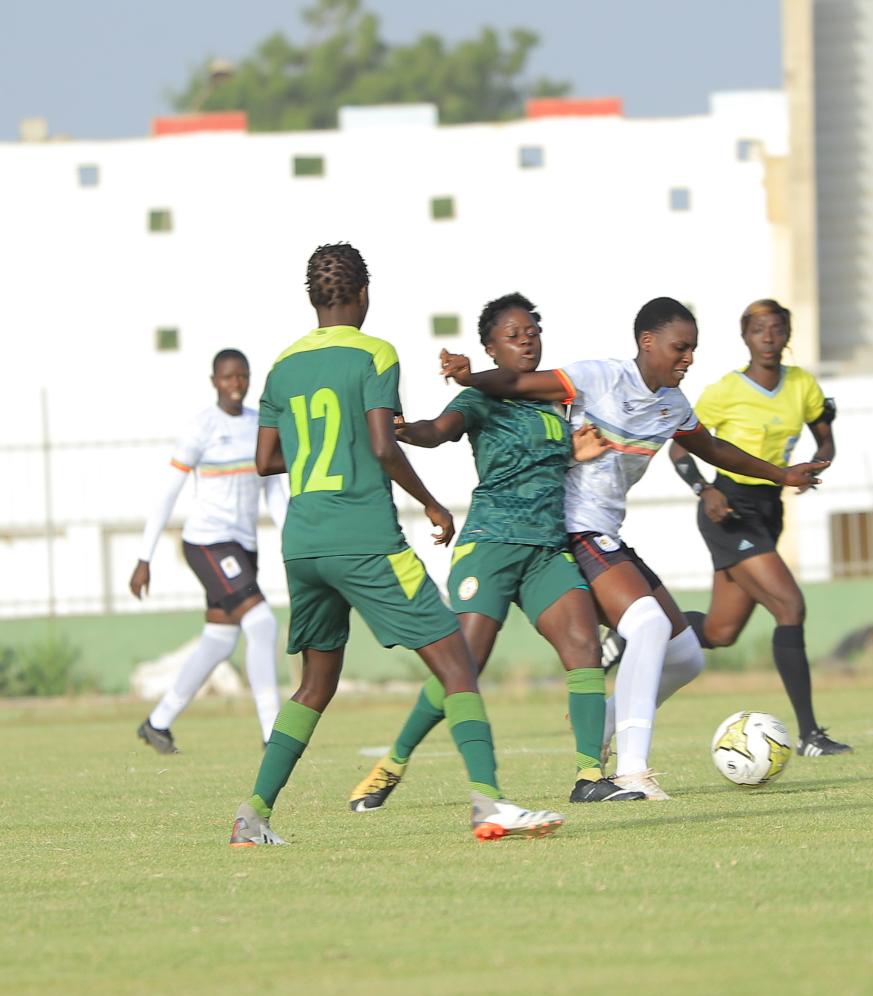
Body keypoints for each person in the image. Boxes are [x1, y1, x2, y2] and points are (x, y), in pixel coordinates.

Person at [229, 243, 563, 846]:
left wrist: (318, 452)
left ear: (312, 299)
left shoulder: (281, 366)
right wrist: (432, 503)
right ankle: (487, 803)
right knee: (457, 662)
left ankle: (253, 816)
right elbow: (385, 445)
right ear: (363, 295)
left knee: (314, 685)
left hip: (303, 544)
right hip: (364, 539)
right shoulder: (375, 353)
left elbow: (265, 461)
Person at [438, 296, 826, 800]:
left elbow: (715, 450)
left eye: (693, 350)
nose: (688, 358)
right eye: (679, 348)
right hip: (572, 528)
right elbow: (515, 383)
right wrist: (471, 379)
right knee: (648, 624)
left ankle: (597, 736)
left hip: (607, 534)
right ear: (648, 343)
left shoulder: (673, 404)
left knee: (687, 655)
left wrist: (783, 474)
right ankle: (631, 770)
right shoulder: (598, 378)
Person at [348, 293, 646, 809]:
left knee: (583, 645)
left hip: (545, 550)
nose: (527, 340)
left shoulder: (557, 401)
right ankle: (392, 764)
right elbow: (439, 431)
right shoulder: (479, 399)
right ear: (490, 348)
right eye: (514, 335)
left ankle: (589, 777)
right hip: (491, 545)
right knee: (462, 666)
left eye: (532, 331)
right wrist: (404, 430)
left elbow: (543, 461)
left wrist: (575, 453)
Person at [662, 298, 850, 756]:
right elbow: (680, 449)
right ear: (745, 336)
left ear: (788, 335)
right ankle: (810, 735)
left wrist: (817, 463)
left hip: (769, 508)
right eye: (759, 329)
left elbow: (824, 434)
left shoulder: (802, 384)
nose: (768, 337)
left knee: (721, 632)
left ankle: (635, 629)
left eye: (777, 328)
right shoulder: (725, 391)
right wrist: (705, 490)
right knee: (790, 605)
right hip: (728, 508)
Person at [131, 348, 288, 752]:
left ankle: (157, 722)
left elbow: (273, 486)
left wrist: (291, 537)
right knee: (262, 622)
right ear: (214, 381)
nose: (236, 384)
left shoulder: (260, 425)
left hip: (243, 545)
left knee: (220, 639)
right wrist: (144, 557)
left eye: (242, 376)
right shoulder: (200, 428)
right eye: (227, 377)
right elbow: (167, 494)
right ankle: (273, 732)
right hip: (206, 542)